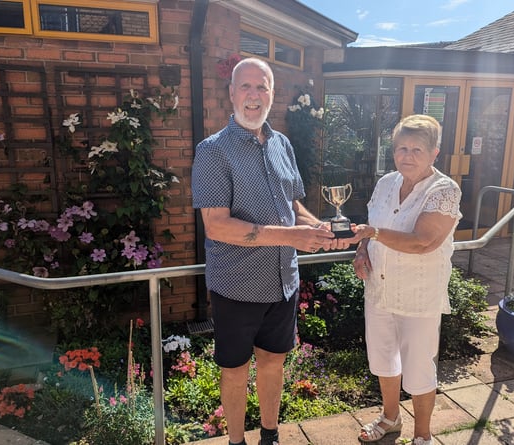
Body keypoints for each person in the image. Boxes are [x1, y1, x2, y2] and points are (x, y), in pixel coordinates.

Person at [191, 57, 351, 445]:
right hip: (237, 286)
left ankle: (269, 435)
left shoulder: (282, 145)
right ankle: (236, 441)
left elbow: (293, 206)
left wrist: (320, 226)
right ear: (231, 93)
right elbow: (216, 225)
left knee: (273, 361)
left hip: (283, 282)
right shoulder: (213, 151)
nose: (253, 95)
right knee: (234, 368)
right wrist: (290, 237)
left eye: (262, 87)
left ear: (272, 95)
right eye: (245, 86)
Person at [351, 114, 462, 445]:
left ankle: (423, 436)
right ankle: (390, 417)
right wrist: (362, 251)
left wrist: (373, 233)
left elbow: (423, 242)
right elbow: (371, 228)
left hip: (418, 295)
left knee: (418, 367)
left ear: (434, 154)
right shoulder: (386, 182)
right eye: (401, 148)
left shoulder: (444, 189)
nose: (407, 156)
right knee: (384, 358)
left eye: (416, 149)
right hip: (380, 289)